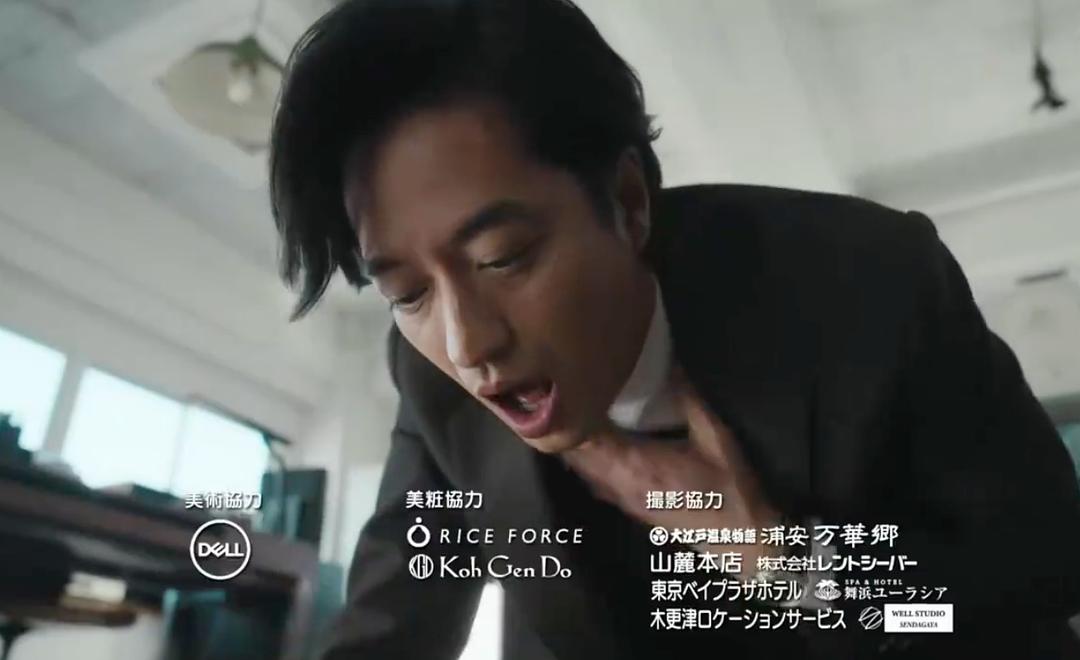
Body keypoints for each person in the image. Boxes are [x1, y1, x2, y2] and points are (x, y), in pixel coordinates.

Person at [268, 0, 1080, 657]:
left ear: (627, 203)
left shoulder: (869, 280)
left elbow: (1044, 567)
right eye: (408, 292)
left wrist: (793, 568)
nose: (465, 345)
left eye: (501, 257)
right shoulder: (429, 375)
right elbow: (389, 629)